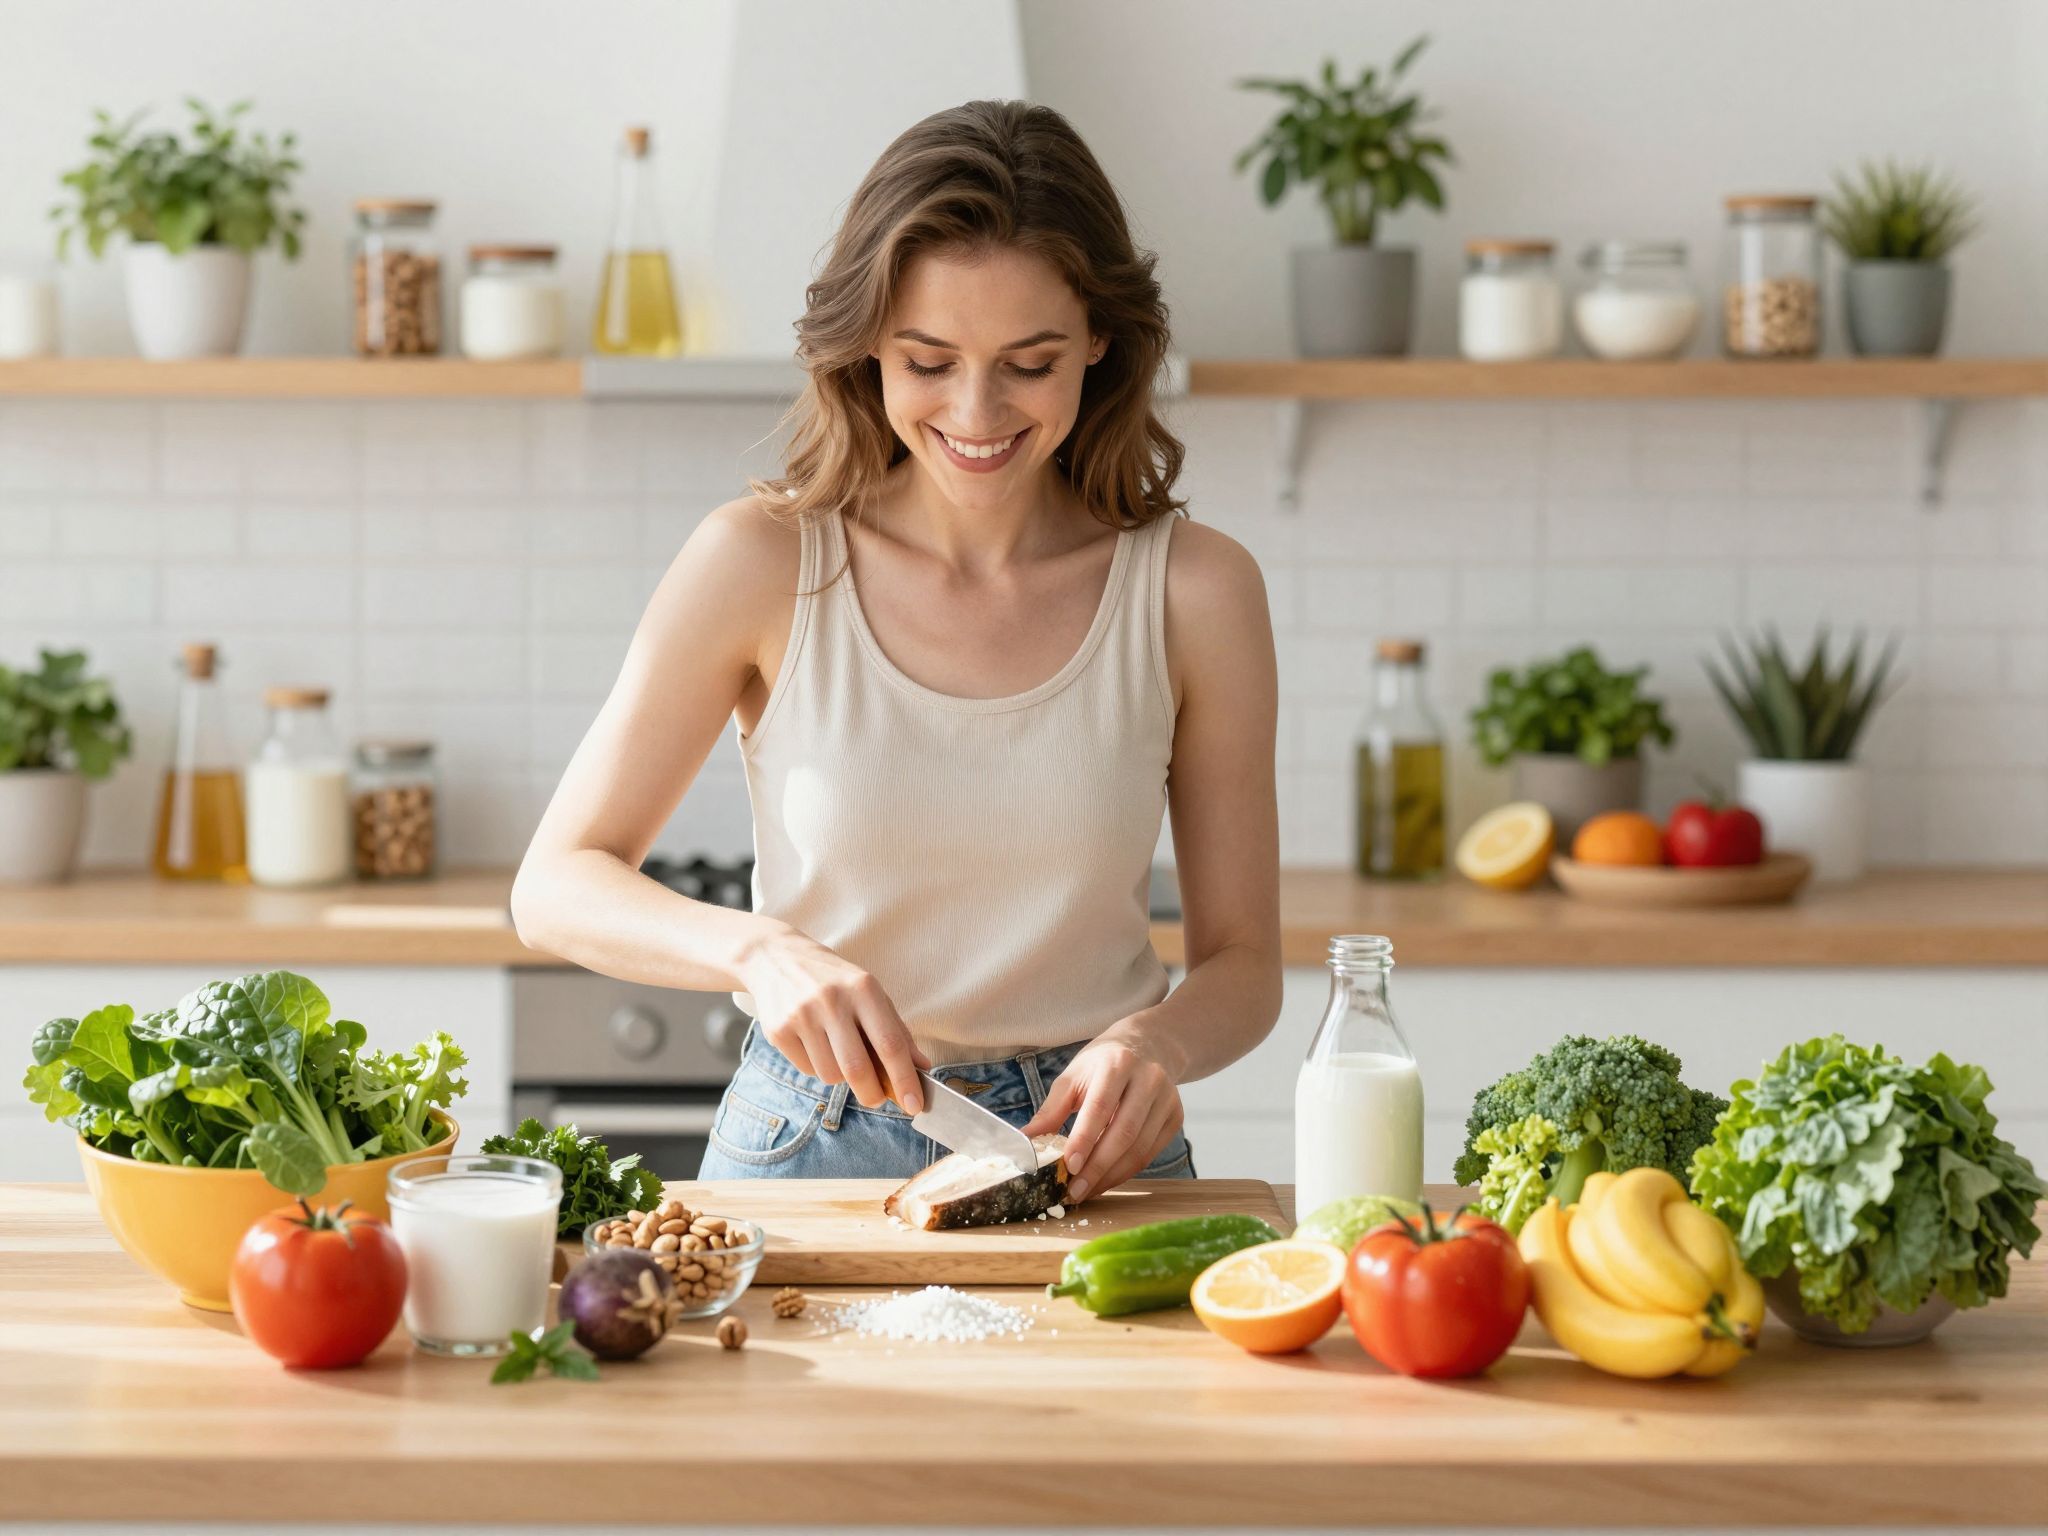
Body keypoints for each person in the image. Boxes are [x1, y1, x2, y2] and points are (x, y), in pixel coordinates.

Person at [511, 99, 1280, 1203]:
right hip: (809, 1142)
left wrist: (1156, 1048)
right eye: (927, 358)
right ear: (867, 342)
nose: (976, 412)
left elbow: (1244, 964)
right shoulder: (759, 561)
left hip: (1094, 1152)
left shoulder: (1195, 591)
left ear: (1099, 344)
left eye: (1029, 361)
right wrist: (758, 955)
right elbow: (554, 886)